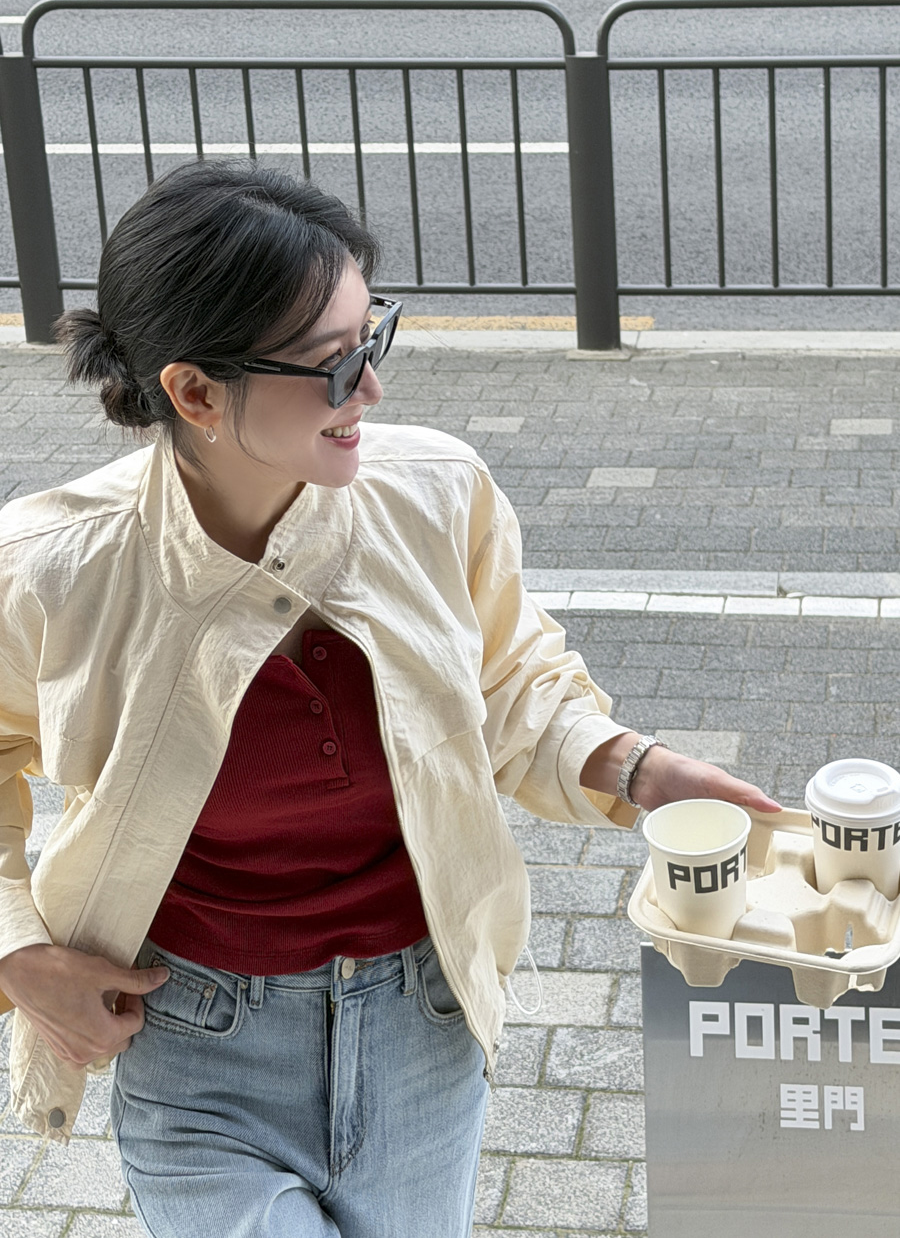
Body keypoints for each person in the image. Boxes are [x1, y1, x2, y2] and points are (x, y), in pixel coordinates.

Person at [0, 159, 780, 1238]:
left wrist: (635, 768)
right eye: (333, 365)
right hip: (193, 1045)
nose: (371, 390)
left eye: (374, 338)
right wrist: (19, 952)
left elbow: (509, 682)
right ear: (195, 393)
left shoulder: (435, 492)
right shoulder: (54, 567)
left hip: (424, 1027)